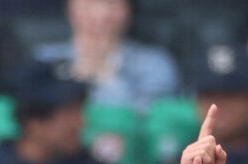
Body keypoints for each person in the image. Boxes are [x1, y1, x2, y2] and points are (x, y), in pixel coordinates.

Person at [33, 0, 180, 112]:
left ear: (128, 9)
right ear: (69, 8)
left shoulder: (154, 63)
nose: (101, 14)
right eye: (89, 3)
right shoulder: (44, 59)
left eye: (112, 3)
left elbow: (157, 121)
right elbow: (36, 116)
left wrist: (107, 79)